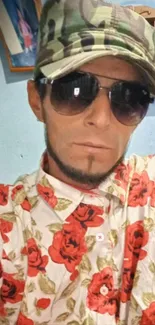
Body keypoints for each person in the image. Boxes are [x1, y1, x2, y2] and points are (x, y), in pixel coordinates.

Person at [0, 1, 155, 324]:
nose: (100, 119)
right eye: (74, 88)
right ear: (36, 101)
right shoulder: (8, 225)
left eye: (130, 98)